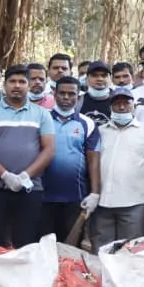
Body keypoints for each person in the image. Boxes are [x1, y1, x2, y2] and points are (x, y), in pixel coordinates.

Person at [0, 64, 56, 248]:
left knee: (26, 242)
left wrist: (25, 175)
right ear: (5, 85)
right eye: (12, 81)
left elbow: (49, 149)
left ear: (28, 85)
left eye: (22, 81)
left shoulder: (42, 114)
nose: (17, 85)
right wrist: (5, 175)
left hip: (30, 188)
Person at [87, 86, 144, 246]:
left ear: (134, 106)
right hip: (102, 203)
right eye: (117, 104)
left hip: (134, 204)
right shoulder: (100, 131)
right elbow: (92, 162)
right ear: (110, 107)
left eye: (126, 103)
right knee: (102, 251)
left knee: (130, 252)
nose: (122, 107)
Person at [40, 77, 99, 242]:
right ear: (54, 94)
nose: (66, 97)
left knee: (71, 248)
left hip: (75, 197)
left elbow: (93, 159)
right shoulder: (42, 119)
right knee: (45, 245)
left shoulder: (87, 123)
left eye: (71, 94)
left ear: (78, 96)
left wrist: (94, 193)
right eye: (62, 93)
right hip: (44, 196)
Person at [79, 61, 114, 126]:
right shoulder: (78, 101)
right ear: (87, 79)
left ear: (110, 78)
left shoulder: (118, 100)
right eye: (94, 75)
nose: (100, 79)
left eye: (104, 75)